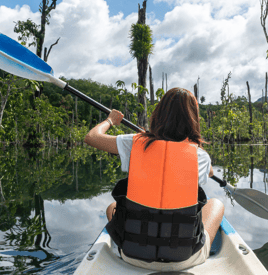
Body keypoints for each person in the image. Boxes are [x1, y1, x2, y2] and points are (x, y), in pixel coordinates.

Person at [84, 87, 224, 272]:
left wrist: (110, 120)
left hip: (133, 255)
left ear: (158, 115)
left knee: (112, 208)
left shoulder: (134, 143)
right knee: (216, 204)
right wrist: (199, 153)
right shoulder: (200, 156)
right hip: (185, 258)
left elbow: (91, 137)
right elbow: (208, 170)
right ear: (194, 121)